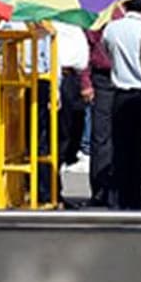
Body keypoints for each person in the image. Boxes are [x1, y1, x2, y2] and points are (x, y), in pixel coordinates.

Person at [81, 0, 141, 207]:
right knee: (102, 138)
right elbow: (89, 44)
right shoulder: (104, 9)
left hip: (137, 81)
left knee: (133, 138)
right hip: (105, 79)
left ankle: (130, 191)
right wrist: (86, 81)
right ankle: (101, 191)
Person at [103, 0, 141, 209]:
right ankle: (137, 195)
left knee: (120, 147)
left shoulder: (112, 28)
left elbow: (107, 52)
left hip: (120, 92)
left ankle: (120, 197)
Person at [53, 20, 90, 177]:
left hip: (71, 77)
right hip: (59, 75)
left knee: (75, 124)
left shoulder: (73, 25)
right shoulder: (50, 25)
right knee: (61, 130)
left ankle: (66, 159)